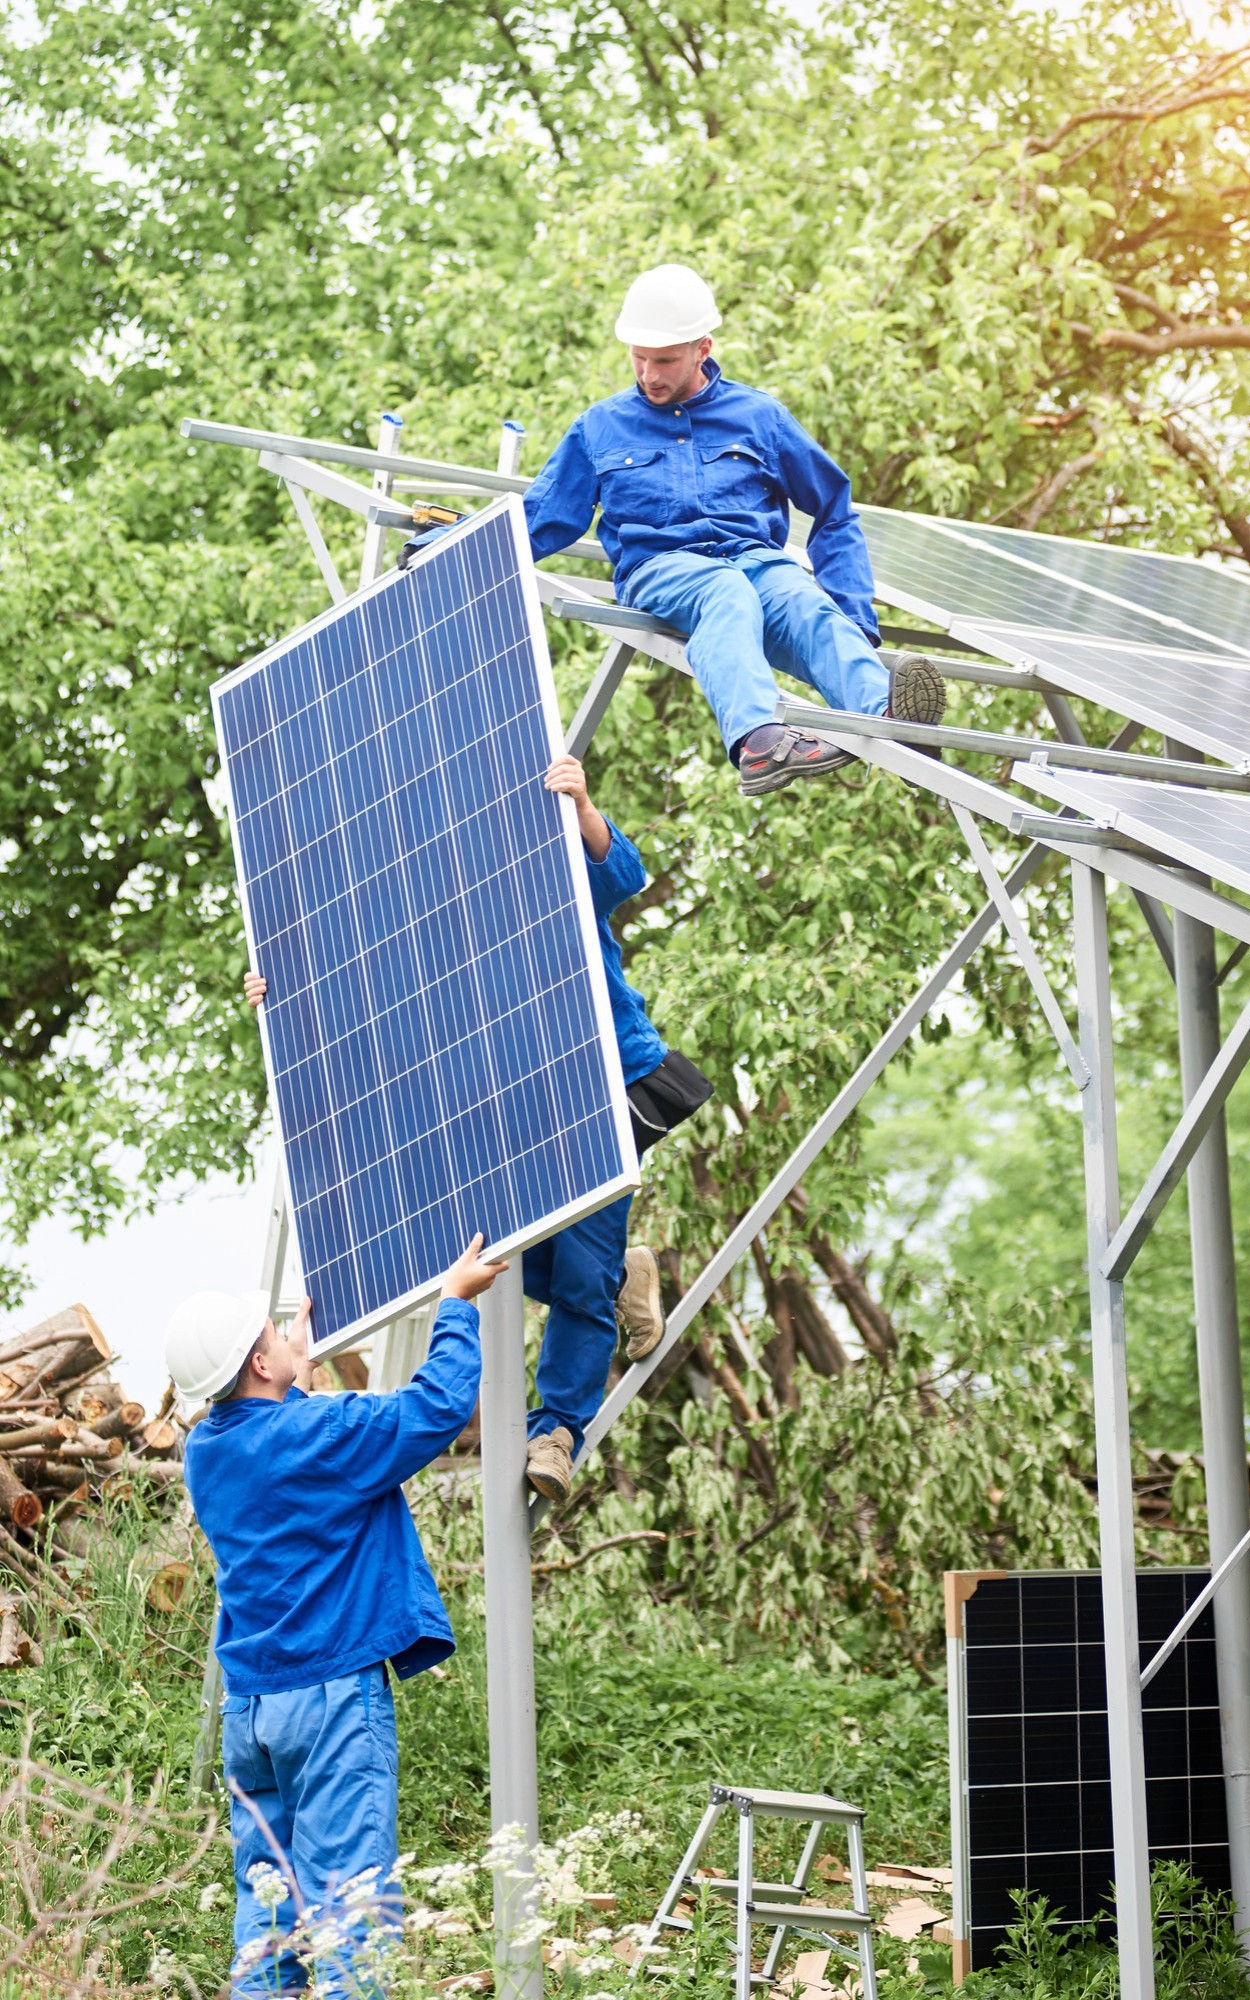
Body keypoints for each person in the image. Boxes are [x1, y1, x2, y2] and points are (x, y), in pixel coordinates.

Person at [244, 753, 712, 1505]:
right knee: (452, 1255)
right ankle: (628, 1277)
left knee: (584, 1272)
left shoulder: (529, 852)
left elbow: (618, 873)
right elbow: (357, 1005)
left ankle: (557, 1429)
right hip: (505, 1110)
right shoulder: (408, 914)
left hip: (599, 1080)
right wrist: (284, 995)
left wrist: (583, 805)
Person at [166, 1233, 503, 1999]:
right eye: (272, 1336)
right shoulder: (319, 1433)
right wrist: (454, 1303)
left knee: (271, 1911)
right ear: (257, 1364)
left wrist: (294, 1373)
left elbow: (281, 1439)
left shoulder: (205, 1451)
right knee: (351, 1912)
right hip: (330, 1703)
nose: (285, 1337)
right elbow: (437, 1407)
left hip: (252, 1707)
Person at [520, 261, 947, 797]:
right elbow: (541, 518)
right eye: (639, 358)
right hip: (662, 568)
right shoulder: (599, 427)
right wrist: (448, 545)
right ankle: (759, 742)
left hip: (755, 562)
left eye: (666, 361)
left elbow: (834, 508)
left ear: (703, 348)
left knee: (804, 603)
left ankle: (892, 721)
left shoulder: (760, 417)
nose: (649, 374)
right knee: (726, 592)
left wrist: (855, 619)